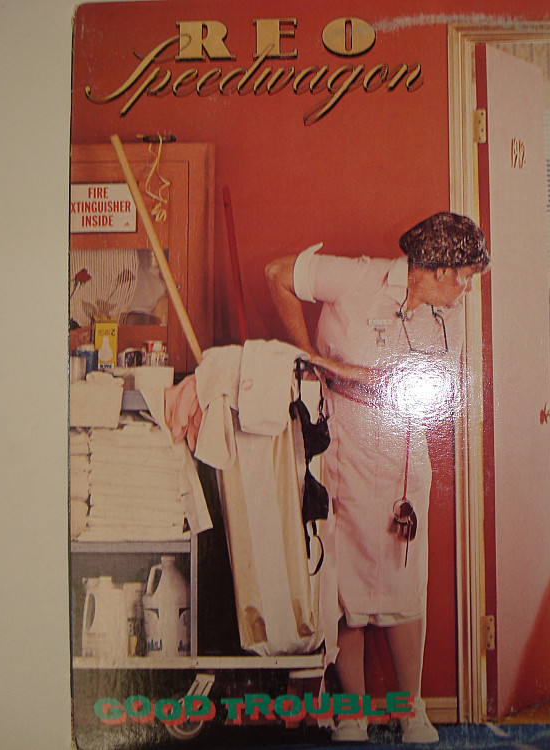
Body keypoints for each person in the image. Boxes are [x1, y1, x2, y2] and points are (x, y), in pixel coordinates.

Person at [167, 212, 488, 744]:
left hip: (405, 450)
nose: (467, 287)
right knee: (342, 583)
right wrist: (310, 355)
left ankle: (412, 711)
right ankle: (352, 712)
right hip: (343, 443)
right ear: (433, 268)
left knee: (406, 578)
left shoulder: (447, 314)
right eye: (463, 276)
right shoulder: (359, 276)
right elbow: (278, 273)